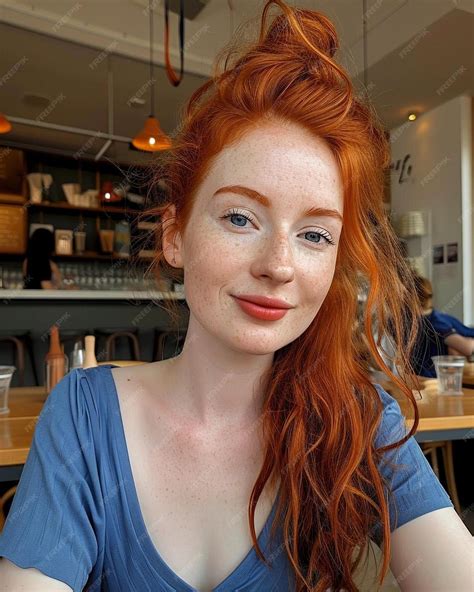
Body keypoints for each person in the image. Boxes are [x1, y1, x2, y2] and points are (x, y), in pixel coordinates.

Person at [0, 2, 471, 591]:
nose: (279, 265)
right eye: (241, 218)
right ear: (175, 235)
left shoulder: (358, 419)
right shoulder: (84, 418)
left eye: (315, 234)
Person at [411, 275, 474, 377]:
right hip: (434, 378)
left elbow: (466, 345)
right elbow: (467, 347)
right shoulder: (436, 321)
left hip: (423, 376)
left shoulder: (432, 321)